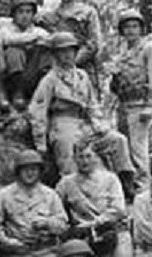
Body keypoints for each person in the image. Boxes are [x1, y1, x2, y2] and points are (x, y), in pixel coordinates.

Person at [28, 31, 135, 185]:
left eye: (70, 50)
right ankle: (72, 189)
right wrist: (40, 143)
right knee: (68, 151)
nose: (67, 55)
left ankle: (126, 182)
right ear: (56, 55)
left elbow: (92, 104)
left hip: (85, 123)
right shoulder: (50, 80)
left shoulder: (82, 76)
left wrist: (100, 125)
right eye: (62, 51)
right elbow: (38, 111)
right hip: (62, 122)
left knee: (118, 140)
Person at [56, 139, 134, 257]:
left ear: (97, 158)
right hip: (92, 240)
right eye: (80, 157)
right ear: (74, 159)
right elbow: (56, 208)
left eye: (89, 156)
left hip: (117, 233)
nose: (85, 161)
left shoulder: (110, 179)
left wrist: (95, 222)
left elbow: (118, 209)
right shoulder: (66, 183)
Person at [107, 9, 152, 192]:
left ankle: (143, 188)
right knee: (124, 148)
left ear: (141, 29)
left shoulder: (148, 50)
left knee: (138, 149)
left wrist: (150, 105)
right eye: (127, 27)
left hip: (140, 105)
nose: (131, 30)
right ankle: (129, 187)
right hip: (123, 105)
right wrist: (115, 77)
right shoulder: (122, 55)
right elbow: (114, 88)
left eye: (134, 26)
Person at [39, 0, 101, 81]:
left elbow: (94, 42)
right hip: (57, 66)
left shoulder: (88, 12)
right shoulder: (50, 16)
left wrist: (73, 62)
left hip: (83, 65)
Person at [0, 0, 50, 108]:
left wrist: (36, 42)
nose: (25, 16)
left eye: (28, 12)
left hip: (31, 73)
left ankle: (42, 92)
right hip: (11, 75)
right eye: (21, 12)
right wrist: (31, 39)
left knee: (44, 51)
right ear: (14, 14)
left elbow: (48, 39)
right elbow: (7, 39)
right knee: (14, 51)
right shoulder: (6, 28)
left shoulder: (38, 31)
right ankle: (17, 93)